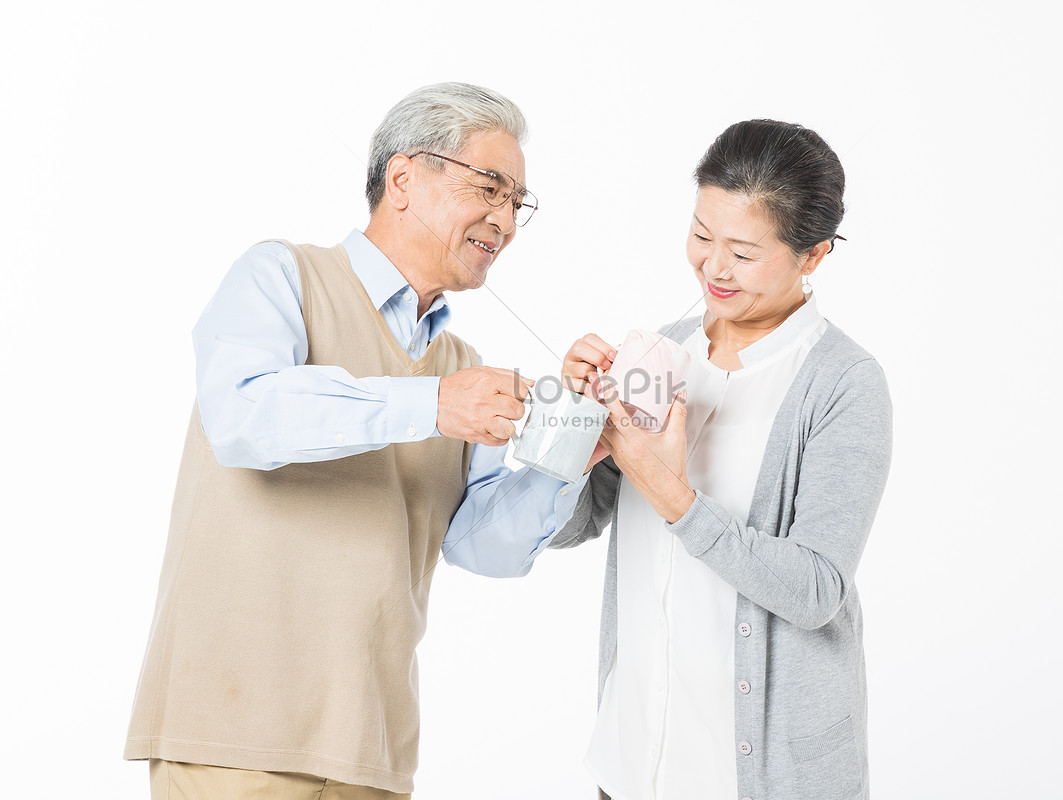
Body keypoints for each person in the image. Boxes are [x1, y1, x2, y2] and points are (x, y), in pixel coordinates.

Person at [124, 82, 557, 799]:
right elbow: (243, 415)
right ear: (404, 177)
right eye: (491, 187)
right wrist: (433, 404)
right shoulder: (281, 277)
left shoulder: (463, 369)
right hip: (233, 740)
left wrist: (571, 455)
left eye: (518, 202)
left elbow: (482, 544)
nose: (505, 219)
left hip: (371, 751)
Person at [445, 119, 893, 799]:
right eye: (702, 235)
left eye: (742, 252)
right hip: (634, 767)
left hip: (758, 780)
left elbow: (815, 591)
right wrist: (571, 420)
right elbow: (573, 525)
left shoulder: (842, 383)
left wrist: (671, 492)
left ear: (814, 255)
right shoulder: (658, 351)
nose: (713, 267)